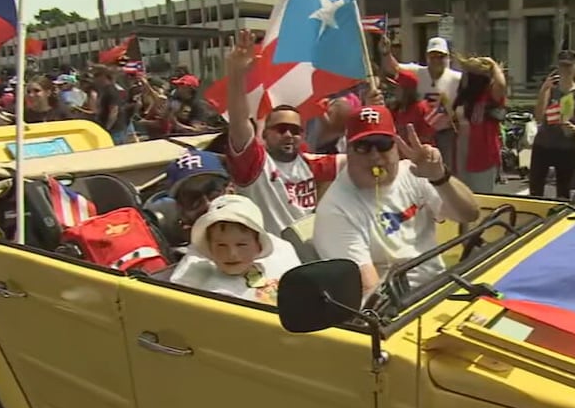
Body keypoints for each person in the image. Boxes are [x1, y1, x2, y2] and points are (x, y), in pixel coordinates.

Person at [314, 106, 480, 296]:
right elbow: (370, 290)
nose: (375, 156)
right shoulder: (336, 210)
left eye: (383, 144)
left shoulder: (414, 172)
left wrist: (440, 177)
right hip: (399, 302)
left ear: (396, 146)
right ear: (348, 151)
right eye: (363, 147)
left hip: (440, 284)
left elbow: (469, 214)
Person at [223, 29, 342, 235]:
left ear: (302, 136)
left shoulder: (312, 164)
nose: (288, 135)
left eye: (295, 130)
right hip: (270, 260)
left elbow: (365, 157)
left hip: (310, 255)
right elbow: (239, 120)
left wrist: (375, 109)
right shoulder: (255, 165)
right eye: (280, 129)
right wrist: (236, 75)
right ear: (265, 135)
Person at [169, 194, 300, 305]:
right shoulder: (209, 291)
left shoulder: (280, 257)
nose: (232, 254)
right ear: (209, 247)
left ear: (258, 246)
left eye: (242, 245)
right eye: (221, 245)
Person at [383, 36, 462, 171]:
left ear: (448, 57)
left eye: (441, 56)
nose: (437, 60)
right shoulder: (417, 71)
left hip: (445, 131)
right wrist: (385, 52)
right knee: (421, 167)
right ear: (426, 57)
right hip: (421, 130)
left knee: (444, 167)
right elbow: (394, 68)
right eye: (433, 56)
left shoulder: (458, 78)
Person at [530, 50, 575, 199]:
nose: (566, 70)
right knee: (536, 189)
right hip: (543, 144)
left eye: (569, 66)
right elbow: (538, 116)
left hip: (567, 147)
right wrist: (543, 90)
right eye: (562, 66)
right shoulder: (550, 90)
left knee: (563, 192)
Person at [453, 55, 508, 194]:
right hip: (462, 153)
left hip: (484, 156)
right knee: (464, 197)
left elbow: (501, 84)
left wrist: (492, 63)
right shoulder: (464, 97)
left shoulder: (489, 95)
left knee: (482, 198)